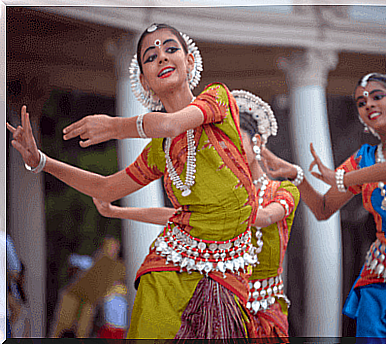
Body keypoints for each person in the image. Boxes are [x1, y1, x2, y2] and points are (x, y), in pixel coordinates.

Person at [7, 23, 259, 339]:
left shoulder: (218, 98)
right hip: (171, 267)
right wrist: (40, 161)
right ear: (143, 80)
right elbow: (106, 188)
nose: (162, 59)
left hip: (231, 268)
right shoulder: (160, 151)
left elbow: (172, 124)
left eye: (170, 49)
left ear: (190, 60)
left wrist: (115, 126)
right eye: (151, 57)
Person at [262, 73, 386, 338]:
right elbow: (323, 209)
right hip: (378, 278)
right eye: (361, 102)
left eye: (377, 96)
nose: (368, 104)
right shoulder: (364, 159)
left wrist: (341, 177)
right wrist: (295, 175)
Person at [91, 90, 300, 339]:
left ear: (258, 143)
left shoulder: (284, 190)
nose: (228, 149)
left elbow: (264, 217)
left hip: (264, 310)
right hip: (223, 295)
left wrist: (215, 209)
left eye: (234, 140)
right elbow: (177, 216)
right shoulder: (219, 195)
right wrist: (118, 211)